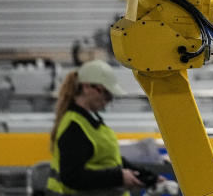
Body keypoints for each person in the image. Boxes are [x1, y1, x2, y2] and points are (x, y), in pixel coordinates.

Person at [47, 59, 155, 195]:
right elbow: (72, 177)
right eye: (106, 93)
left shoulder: (90, 121)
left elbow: (110, 159)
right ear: (87, 87)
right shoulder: (74, 127)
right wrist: (118, 177)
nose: (108, 100)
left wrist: (148, 176)